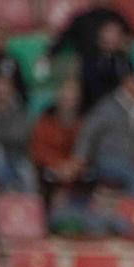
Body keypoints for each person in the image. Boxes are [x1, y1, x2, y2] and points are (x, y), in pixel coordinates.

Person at [79, 71, 134, 197]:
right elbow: (89, 131)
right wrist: (80, 157)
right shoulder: (108, 107)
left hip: (132, 160)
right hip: (107, 158)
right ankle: (133, 212)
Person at [31, 78, 88, 208]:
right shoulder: (44, 121)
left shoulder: (83, 123)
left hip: (75, 170)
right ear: (58, 97)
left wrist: (74, 166)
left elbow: (87, 148)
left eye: (73, 98)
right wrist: (58, 166)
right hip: (51, 169)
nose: (69, 102)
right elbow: (38, 150)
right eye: (66, 97)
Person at [77, 17, 134, 112]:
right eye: (110, 31)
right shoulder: (90, 57)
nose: (113, 36)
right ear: (101, 34)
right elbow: (90, 85)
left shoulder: (124, 60)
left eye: (117, 33)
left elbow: (129, 84)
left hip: (118, 108)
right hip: (92, 106)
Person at [49, 177, 134, 238]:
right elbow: (55, 221)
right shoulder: (79, 212)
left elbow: (131, 233)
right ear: (94, 196)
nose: (108, 200)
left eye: (113, 197)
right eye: (104, 195)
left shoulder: (117, 219)